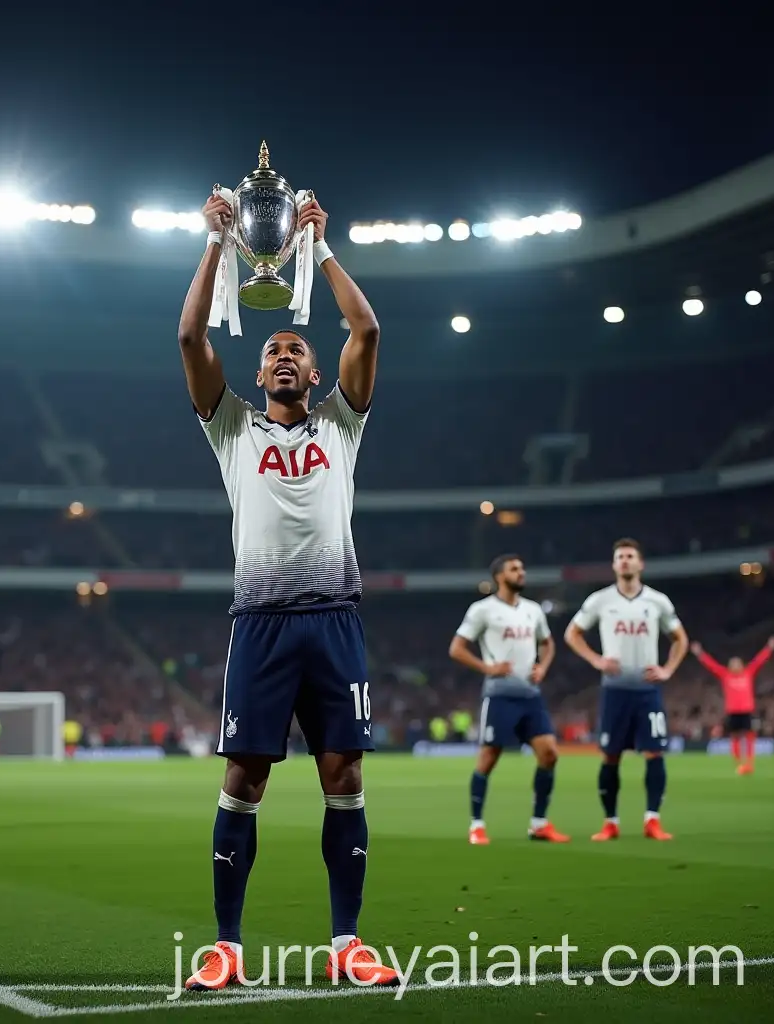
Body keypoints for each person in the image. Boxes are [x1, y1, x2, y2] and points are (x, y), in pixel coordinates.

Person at [176, 190, 397, 990]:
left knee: (344, 777)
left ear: (314, 371)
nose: (283, 357)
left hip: (335, 620)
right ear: (259, 370)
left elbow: (366, 330)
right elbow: (191, 335)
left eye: (296, 349)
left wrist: (318, 245)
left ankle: (348, 946)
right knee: (245, 780)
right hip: (262, 623)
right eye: (272, 349)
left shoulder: (343, 424)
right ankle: (227, 948)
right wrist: (216, 243)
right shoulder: (232, 427)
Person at [564, 538, 688, 841]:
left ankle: (652, 820)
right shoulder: (600, 600)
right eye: (619, 557)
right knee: (610, 756)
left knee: (654, 753)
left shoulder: (657, 601)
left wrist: (668, 669)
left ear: (640, 563)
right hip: (615, 690)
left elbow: (680, 639)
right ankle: (610, 822)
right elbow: (572, 633)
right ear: (614, 565)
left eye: (630, 556)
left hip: (647, 690)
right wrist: (596, 659)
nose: (625, 561)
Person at [449, 554, 568, 844]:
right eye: (515, 569)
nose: (522, 572)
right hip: (499, 695)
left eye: (522, 568)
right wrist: (487, 668)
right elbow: (457, 648)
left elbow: (548, 643)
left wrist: (543, 666)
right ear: (500, 576)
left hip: (530, 695)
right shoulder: (483, 610)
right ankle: (476, 825)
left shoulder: (533, 610)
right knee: (489, 758)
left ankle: (539, 824)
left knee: (549, 754)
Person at [691, 636, 774, 774]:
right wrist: (699, 653)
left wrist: (769, 647)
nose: (735, 666)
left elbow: (759, 660)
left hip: (746, 711)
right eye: (733, 663)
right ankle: (738, 764)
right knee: (735, 737)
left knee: (750, 736)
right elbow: (711, 665)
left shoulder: (748, 672)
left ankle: (749, 763)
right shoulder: (725, 675)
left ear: (742, 665)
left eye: (737, 663)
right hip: (733, 711)